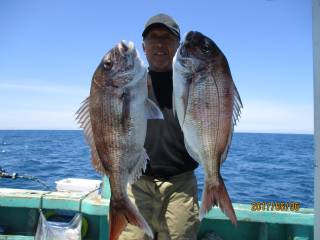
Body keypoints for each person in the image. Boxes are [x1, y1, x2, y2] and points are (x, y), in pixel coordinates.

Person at [119, 13, 200, 240]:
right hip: (136, 183)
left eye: (167, 37)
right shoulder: (130, 83)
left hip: (181, 185)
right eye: (153, 37)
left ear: (178, 45)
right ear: (144, 47)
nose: (160, 43)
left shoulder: (194, 81)